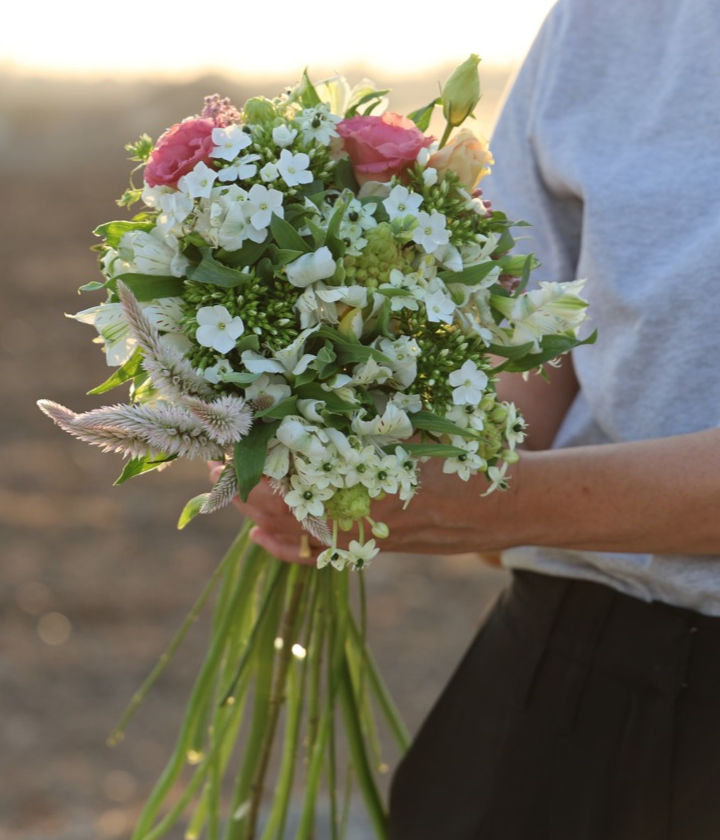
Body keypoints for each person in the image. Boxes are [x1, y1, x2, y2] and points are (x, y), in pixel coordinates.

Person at [234, 0, 720, 836]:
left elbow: (500, 495)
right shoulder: (604, 19)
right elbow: (537, 336)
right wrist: (342, 441)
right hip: (565, 666)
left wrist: (486, 501)